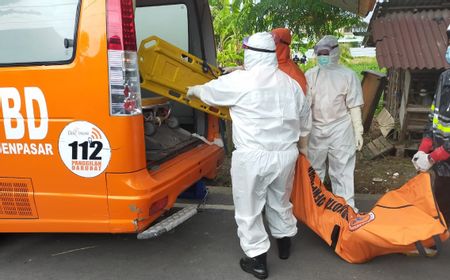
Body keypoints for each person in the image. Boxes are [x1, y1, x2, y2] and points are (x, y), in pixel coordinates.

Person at [187, 32, 311, 279]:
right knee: (280, 201)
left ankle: (257, 261)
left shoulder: (239, 80)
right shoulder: (290, 83)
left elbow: (209, 92)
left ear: (250, 52)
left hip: (253, 157)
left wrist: (192, 89)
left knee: (249, 208)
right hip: (286, 155)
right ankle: (284, 245)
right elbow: (305, 119)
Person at [305, 35, 364, 210]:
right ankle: (315, 209)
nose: (322, 57)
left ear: (335, 52)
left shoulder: (348, 75)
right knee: (315, 170)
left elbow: (354, 105)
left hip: (340, 128)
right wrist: (303, 133)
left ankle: (347, 210)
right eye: (319, 53)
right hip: (316, 128)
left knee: (342, 171)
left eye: (326, 53)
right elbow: (305, 107)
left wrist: (358, 130)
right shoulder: (310, 75)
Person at [412, 25, 450, 225]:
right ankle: (437, 237)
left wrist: (433, 157)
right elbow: (433, 116)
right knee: (441, 203)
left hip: (443, 155)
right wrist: (424, 148)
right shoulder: (445, 77)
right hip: (444, 163)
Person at [271, 28, 308, 94]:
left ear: (284, 45)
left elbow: (303, 100)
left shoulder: (294, 73)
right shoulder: (265, 66)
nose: (270, 44)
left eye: (274, 40)